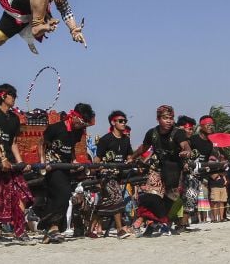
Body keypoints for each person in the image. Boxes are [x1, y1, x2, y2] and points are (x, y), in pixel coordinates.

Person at [0, 84, 35, 246]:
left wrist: (20, 162)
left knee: (22, 195)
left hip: (11, 163)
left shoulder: (14, 118)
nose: (14, 98)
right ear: (3, 96)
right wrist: (1, 159)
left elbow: (13, 143)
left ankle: (20, 231)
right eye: (12, 95)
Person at [130, 105, 192, 234]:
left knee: (170, 200)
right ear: (158, 119)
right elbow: (144, 147)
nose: (169, 121)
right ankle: (143, 221)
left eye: (171, 118)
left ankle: (156, 224)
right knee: (152, 197)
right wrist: (132, 157)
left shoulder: (178, 133)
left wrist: (186, 152)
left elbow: (185, 145)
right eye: (165, 118)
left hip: (174, 171)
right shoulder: (152, 133)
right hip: (156, 168)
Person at [39, 102, 94, 243]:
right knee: (63, 193)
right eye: (82, 122)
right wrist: (43, 162)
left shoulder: (78, 132)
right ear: (74, 116)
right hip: (52, 167)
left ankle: (50, 231)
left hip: (65, 167)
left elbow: (72, 147)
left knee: (59, 197)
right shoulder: (55, 128)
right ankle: (53, 228)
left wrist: (74, 161)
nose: (82, 126)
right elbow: (41, 143)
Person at [92, 110, 133, 239]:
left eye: (125, 121)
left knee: (105, 202)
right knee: (117, 197)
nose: (123, 123)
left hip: (118, 175)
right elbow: (97, 159)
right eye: (121, 121)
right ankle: (120, 230)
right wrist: (98, 173)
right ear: (113, 122)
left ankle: (89, 229)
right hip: (106, 176)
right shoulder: (105, 139)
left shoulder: (126, 140)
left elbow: (130, 156)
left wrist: (131, 161)